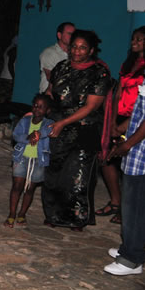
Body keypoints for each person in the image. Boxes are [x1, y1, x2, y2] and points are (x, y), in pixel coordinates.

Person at [43, 29, 111, 230]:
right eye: (74, 46)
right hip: (57, 125)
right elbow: (50, 92)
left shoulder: (99, 72)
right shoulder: (61, 67)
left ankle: (76, 218)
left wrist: (63, 123)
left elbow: (91, 107)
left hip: (84, 128)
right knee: (54, 172)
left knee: (77, 176)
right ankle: (54, 215)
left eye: (82, 48)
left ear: (91, 50)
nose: (77, 51)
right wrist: (39, 109)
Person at [97, 26, 145, 224]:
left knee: (130, 165)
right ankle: (115, 201)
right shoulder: (129, 63)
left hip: (136, 120)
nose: (134, 42)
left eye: (139, 39)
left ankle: (126, 209)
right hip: (118, 116)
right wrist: (112, 120)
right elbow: (118, 92)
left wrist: (124, 126)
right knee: (106, 157)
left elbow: (142, 106)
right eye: (133, 39)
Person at [104, 68, 145, 276]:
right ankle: (130, 247)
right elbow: (141, 113)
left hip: (143, 154)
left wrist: (127, 144)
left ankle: (132, 259)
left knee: (135, 207)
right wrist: (121, 129)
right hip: (138, 150)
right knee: (133, 206)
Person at [5, 94, 53, 228]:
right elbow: (16, 135)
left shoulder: (48, 123)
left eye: (41, 107)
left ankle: (22, 214)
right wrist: (28, 137)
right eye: (35, 105)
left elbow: (49, 130)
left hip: (38, 161)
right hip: (21, 157)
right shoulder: (25, 120)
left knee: (30, 189)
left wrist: (37, 134)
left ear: (47, 110)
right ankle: (11, 214)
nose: (37, 109)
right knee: (16, 187)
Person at [39, 22, 75, 93]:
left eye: (74, 34)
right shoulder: (49, 52)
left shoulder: (75, 55)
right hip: (50, 97)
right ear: (59, 35)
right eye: (69, 34)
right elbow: (50, 77)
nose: (73, 37)